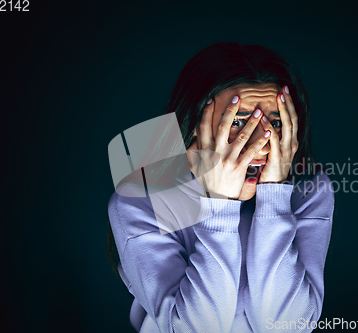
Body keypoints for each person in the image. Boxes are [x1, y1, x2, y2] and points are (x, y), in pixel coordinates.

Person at [107, 42, 334, 333]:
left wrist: (275, 196)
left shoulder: (310, 190)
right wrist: (221, 204)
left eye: (275, 124)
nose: (260, 144)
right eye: (239, 121)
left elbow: (287, 326)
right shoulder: (139, 200)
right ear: (194, 125)